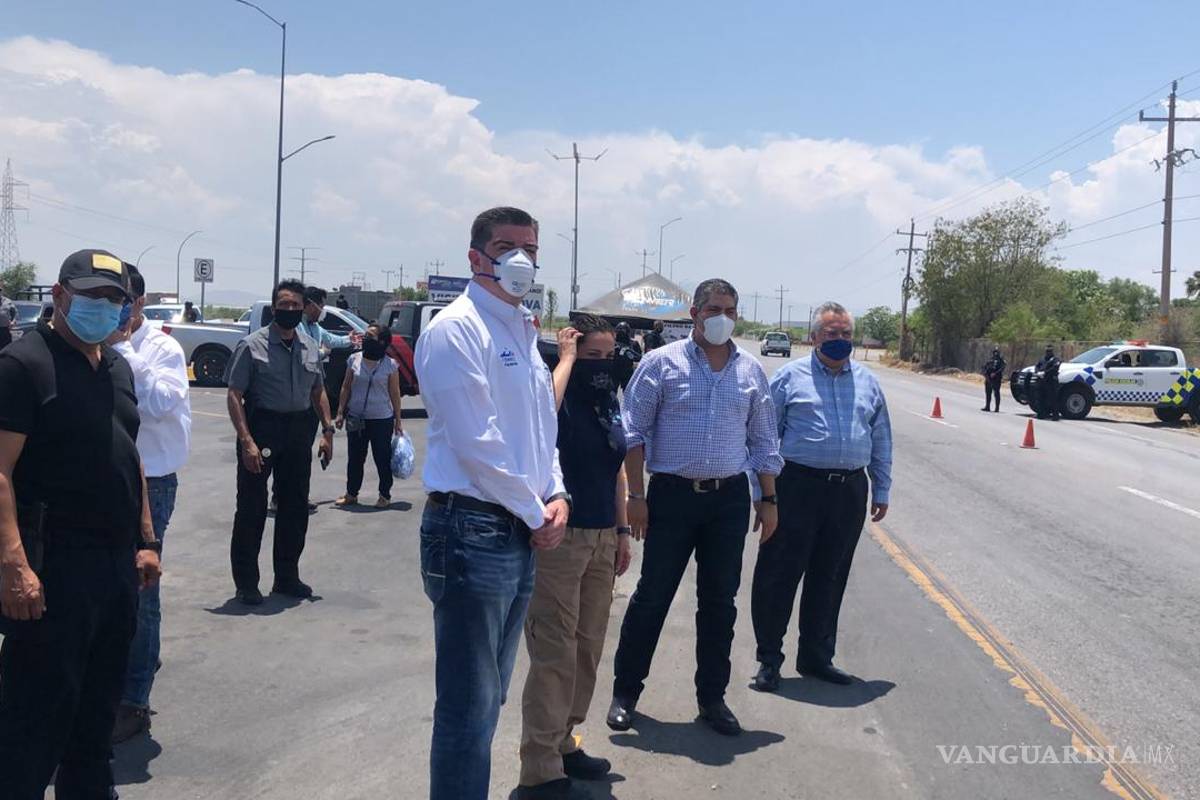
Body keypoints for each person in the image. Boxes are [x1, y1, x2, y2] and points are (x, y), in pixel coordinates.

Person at [415, 206, 570, 800]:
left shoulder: (521, 329)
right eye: (507, 247)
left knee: (489, 697)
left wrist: (556, 493)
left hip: (519, 527)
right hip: (472, 531)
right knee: (467, 706)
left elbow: (540, 430)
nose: (520, 259)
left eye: (530, 248)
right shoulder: (457, 330)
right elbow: (477, 443)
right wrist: (536, 512)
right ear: (476, 257)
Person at [0, 249, 162, 798]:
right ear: (59, 295)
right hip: (52, 572)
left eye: (115, 299)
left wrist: (147, 540)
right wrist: (14, 566)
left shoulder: (116, 367)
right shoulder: (24, 365)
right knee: (32, 724)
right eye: (92, 296)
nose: (105, 307)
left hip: (115, 570)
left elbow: (131, 457)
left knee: (95, 723)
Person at [607, 278, 782, 738]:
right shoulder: (660, 363)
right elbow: (633, 432)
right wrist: (636, 496)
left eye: (730, 310)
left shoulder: (750, 372)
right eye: (713, 309)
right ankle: (625, 693)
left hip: (728, 501)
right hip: (672, 497)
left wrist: (767, 499)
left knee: (720, 603)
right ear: (694, 314)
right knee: (652, 596)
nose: (722, 318)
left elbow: (764, 440)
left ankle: (712, 699)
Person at [750, 301, 893, 692]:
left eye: (846, 333)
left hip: (848, 490)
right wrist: (762, 495)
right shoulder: (788, 378)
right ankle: (769, 659)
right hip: (796, 486)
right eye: (832, 333)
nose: (840, 339)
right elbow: (763, 438)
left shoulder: (867, 381)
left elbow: (880, 437)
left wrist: (881, 487)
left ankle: (816, 656)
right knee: (779, 574)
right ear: (814, 338)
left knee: (830, 574)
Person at [518, 315, 632, 799]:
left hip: (602, 536)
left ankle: (564, 742)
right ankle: (539, 770)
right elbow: (540, 417)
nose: (601, 367)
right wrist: (565, 360)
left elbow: (616, 467)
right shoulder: (556, 395)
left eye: (608, 357)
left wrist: (622, 530)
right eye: (591, 356)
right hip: (560, 541)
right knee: (554, 653)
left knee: (587, 649)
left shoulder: (607, 399)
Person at [108, 265, 192, 743]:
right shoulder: (91, 345)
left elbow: (158, 404)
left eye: (120, 299)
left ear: (139, 302)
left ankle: (135, 700)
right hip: (101, 478)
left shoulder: (161, 349)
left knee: (142, 590)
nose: (112, 308)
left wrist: (122, 349)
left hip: (152, 483)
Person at [224, 279, 335, 605]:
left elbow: (318, 390)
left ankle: (287, 577)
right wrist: (246, 440)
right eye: (283, 304)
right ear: (274, 308)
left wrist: (327, 431)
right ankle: (246, 583)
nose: (289, 309)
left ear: (304, 308)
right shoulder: (252, 345)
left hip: (299, 430)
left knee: (295, 507)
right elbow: (234, 394)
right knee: (252, 507)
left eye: (295, 305)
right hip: (262, 428)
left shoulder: (309, 345)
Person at [334, 323, 404, 509]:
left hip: (381, 419)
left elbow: (395, 393)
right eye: (365, 335)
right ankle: (351, 494)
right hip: (356, 418)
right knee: (355, 458)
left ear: (382, 342)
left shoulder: (390, 365)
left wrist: (398, 419)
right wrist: (340, 412)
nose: (365, 338)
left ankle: (384, 495)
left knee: (382, 457)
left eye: (370, 336)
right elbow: (346, 386)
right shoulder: (354, 359)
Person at [611, 321, 642, 390]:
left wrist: (631, 354)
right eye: (619, 330)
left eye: (623, 330)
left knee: (628, 392)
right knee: (611, 392)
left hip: (627, 371)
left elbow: (639, 357)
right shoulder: (612, 343)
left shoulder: (633, 343)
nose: (621, 333)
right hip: (614, 371)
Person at [1036, 345, 1061, 421]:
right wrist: (1037, 372)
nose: (1048, 353)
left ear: (1052, 351)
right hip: (1042, 381)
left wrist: (1045, 373)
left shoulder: (1055, 359)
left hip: (1051, 381)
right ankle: (1041, 414)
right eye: (1047, 351)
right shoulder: (1042, 359)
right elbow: (1037, 366)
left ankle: (1055, 416)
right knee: (1041, 398)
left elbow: (1054, 368)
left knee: (1053, 399)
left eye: (1050, 351)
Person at [981, 347, 1006, 413]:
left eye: (997, 352)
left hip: (996, 379)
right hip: (988, 378)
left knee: (996, 393)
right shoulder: (990, 360)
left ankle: (997, 408)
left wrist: (995, 373)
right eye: (995, 352)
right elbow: (985, 367)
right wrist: (985, 374)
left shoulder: (1001, 361)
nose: (995, 353)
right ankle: (987, 406)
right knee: (988, 393)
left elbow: (1002, 368)